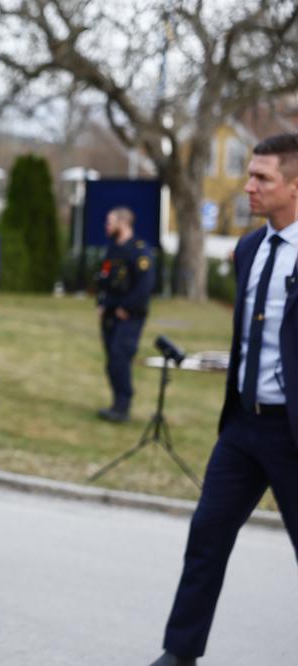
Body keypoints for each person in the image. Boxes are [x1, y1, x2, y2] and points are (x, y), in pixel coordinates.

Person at [150, 134, 298, 666]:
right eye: (250, 174)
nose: (249, 185)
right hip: (242, 427)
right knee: (206, 536)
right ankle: (179, 653)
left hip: (292, 432)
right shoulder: (251, 249)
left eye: (262, 178)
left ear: (295, 185)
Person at [96, 206, 156, 422]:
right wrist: (102, 304)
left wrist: (126, 308)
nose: (107, 226)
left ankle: (123, 407)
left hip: (129, 316)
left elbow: (145, 286)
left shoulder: (139, 251)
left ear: (123, 223)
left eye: (110, 222)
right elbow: (104, 278)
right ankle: (116, 403)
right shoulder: (113, 249)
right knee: (112, 360)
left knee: (121, 358)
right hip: (110, 314)